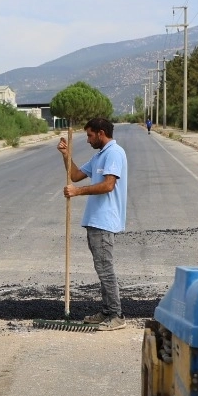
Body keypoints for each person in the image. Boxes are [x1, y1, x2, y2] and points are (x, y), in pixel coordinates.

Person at [59, 117, 128, 329]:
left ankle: (116, 315)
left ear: (101, 133)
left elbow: (108, 185)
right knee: (101, 268)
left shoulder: (114, 153)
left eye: (90, 135)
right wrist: (66, 154)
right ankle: (107, 311)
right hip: (95, 221)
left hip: (105, 220)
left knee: (105, 269)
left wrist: (77, 192)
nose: (88, 140)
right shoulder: (99, 155)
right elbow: (75, 175)